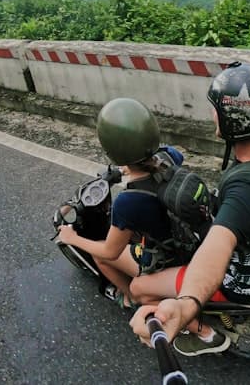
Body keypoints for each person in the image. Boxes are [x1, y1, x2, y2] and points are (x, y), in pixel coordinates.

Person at [129, 10, 250, 355]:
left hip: (246, 281)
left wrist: (185, 305)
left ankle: (201, 332)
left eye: (216, 109)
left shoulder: (246, 190)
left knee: (140, 287)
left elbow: (216, 249)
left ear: (233, 120)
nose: (212, 113)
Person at [57, 97, 187, 309]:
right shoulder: (170, 156)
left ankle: (131, 297)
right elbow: (164, 157)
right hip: (183, 237)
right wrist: (129, 168)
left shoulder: (128, 202)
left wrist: (72, 238)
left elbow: (110, 251)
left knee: (99, 255)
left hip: (167, 258)